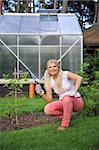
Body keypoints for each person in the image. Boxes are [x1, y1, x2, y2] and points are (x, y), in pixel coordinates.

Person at [35, 59, 84, 131]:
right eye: (50, 67)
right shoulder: (50, 81)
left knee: (67, 98)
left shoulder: (65, 74)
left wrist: (74, 92)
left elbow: (79, 78)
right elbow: (49, 100)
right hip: (63, 102)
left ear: (58, 67)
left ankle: (64, 125)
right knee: (48, 109)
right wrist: (41, 93)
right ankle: (67, 116)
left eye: (54, 66)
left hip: (76, 102)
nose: (52, 69)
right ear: (48, 69)